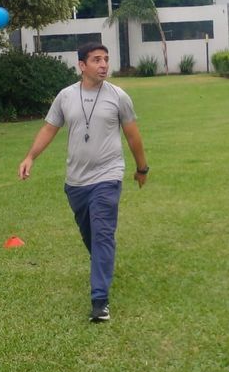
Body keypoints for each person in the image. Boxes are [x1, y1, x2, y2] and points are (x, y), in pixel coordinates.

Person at [17, 43, 149, 323]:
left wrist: (142, 168)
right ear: (81, 65)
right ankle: (103, 261)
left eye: (106, 59)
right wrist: (30, 157)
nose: (104, 65)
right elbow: (49, 129)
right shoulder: (65, 96)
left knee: (102, 234)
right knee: (91, 236)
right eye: (96, 60)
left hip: (108, 176)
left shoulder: (118, 97)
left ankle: (100, 301)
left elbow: (133, 135)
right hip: (76, 182)